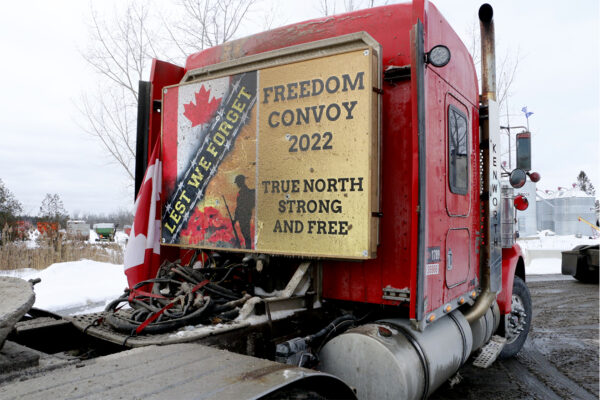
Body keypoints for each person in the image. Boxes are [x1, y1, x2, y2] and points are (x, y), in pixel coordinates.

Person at [234, 175, 255, 249]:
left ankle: (248, 249)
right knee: (246, 234)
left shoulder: (244, 192)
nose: (237, 184)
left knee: (246, 235)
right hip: (244, 216)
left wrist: (236, 218)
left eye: (237, 182)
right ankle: (248, 248)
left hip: (244, 216)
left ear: (240, 182)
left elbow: (240, 206)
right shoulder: (243, 191)